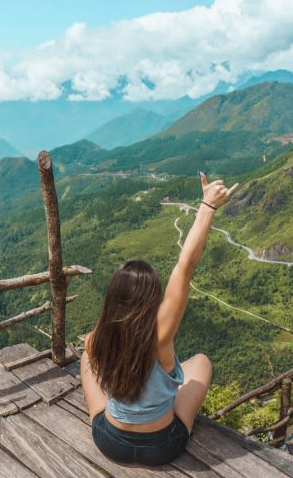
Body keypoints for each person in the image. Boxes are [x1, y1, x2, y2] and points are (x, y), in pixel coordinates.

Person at [81, 172, 239, 466]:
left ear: (113, 299)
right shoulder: (160, 336)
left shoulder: (97, 340)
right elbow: (185, 265)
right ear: (153, 298)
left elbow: (104, 347)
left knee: (86, 360)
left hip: (110, 443)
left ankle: (114, 415)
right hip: (163, 447)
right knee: (201, 361)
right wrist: (208, 206)